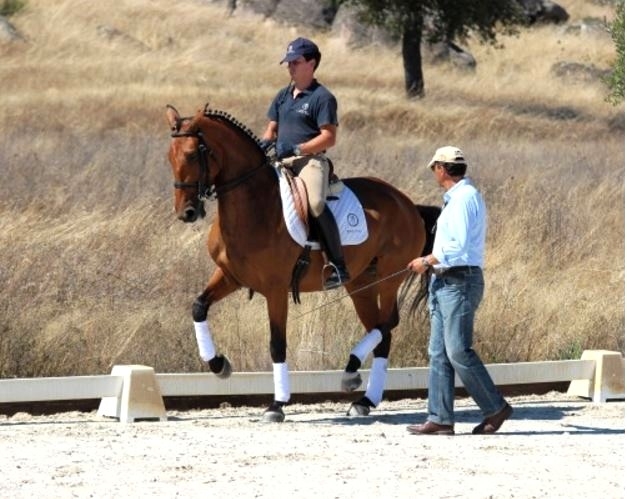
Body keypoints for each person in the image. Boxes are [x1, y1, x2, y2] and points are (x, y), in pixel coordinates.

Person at [406, 146, 513, 435]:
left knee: (457, 350)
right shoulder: (457, 199)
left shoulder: (465, 198)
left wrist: (426, 259)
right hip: (444, 281)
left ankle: (496, 407)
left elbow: (460, 244)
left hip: (460, 281)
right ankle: (440, 418)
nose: (433, 173)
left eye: (434, 168)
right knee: (439, 352)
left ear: (441, 168)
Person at [260, 37, 350, 290]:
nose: (290, 67)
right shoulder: (282, 95)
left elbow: (329, 138)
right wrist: (263, 144)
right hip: (280, 161)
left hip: (309, 161)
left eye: (295, 62)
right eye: (288, 62)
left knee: (315, 203)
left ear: (311, 63)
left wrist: (298, 148)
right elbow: (271, 130)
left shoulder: (323, 97)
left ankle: (338, 265)